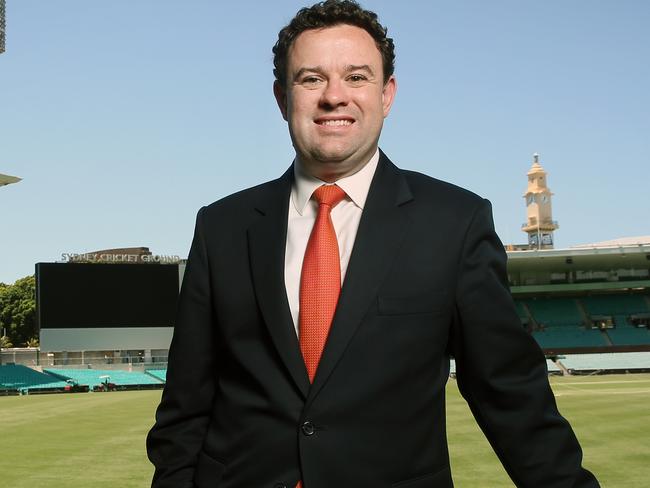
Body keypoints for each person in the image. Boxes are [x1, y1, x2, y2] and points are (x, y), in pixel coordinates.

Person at [146, 1, 600, 487]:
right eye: (311, 79)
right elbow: (184, 410)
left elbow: (511, 395)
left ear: (387, 95)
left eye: (357, 77)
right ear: (282, 98)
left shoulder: (454, 222)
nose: (334, 97)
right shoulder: (222, 227)